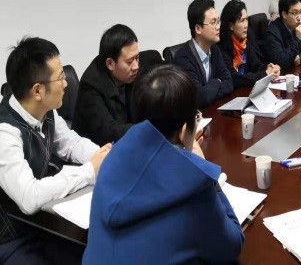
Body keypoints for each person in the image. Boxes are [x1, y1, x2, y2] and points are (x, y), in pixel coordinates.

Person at [83, 64, 244, 263]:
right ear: (184, 130)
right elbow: (232, 245)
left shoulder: (111, 158)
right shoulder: (194, 187)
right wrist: (206, 174)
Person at [0, 37, 110, 264]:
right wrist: (89, 171)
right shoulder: (5, 133)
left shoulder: (45, 108)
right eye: (60, 77)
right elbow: (29, 197)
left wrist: (104, 156)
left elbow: (70, 143)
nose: (66, 83)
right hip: (12, 237)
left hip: (44, 222)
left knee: (96, 252)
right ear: (38, 90)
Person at [73, 24, 140, 146]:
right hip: (98, 150)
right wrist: (145, 129)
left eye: (137, 58)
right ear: (110, 64)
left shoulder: (132, 73)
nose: (136, 66)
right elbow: (109, 133)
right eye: (129, 61)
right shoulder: (91, 86)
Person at [174, 0, 233, 108]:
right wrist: (217, 81)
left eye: (218, 21)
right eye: (213, 23)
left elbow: (229, 83)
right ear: (198, 29)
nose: (218, 27)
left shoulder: (214, 49)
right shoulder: (183, 58)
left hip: (213, 110)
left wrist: (208, 92)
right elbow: (199, 98)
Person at [218, 0, 280, 89]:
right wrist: (264, 74)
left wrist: (269, 67)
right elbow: (234, 78)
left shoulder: (245, 41)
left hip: (247, 90)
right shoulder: (222, 48)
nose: (246, 25)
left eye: (246, 19)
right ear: (231, 26)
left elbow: (256, 65)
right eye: (242, 20)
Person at [265, 0, 301, 70]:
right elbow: (280, 62)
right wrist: (297, 40)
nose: (299, 18)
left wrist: (300, 57)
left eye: (300, 12)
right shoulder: (272, 32)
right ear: (284, 14)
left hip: (295, 72)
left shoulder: (300, 26)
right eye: (294, 13)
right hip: (280, 75)